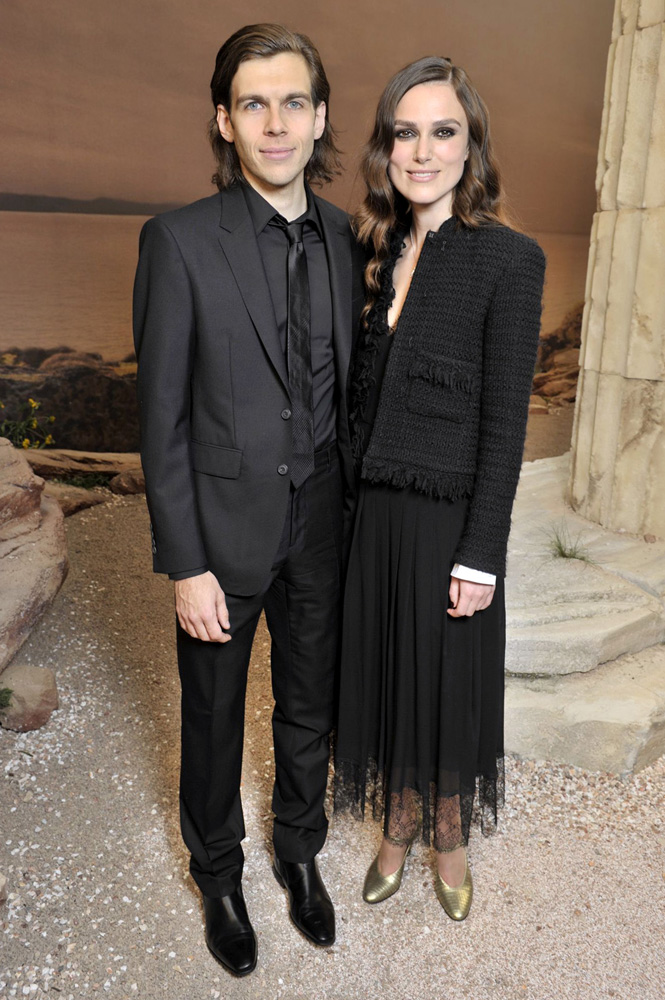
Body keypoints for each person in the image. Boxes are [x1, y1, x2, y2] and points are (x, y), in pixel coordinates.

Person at [133, 23, 364, 976]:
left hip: (323, 521)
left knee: (310, 703)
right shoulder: (179, 241)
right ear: (224, 121)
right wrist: (184, 560)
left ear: (319, 118)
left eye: (294, 102)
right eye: (254, 104)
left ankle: (298, 852)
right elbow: (162, 423)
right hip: (222, 535)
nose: (276, 123)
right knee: (214, 713)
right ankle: (219, 875)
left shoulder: (349, 236)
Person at [334, 55, 546, 921]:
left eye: (442, 131)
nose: (422, 151)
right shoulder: (372, 249)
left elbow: (504, 422)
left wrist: (481, 554)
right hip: (371, 513)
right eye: (405, 132)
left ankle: (448, 836)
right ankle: (397, 823)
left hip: (449, 517)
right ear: (387, 147)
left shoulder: (508, 259)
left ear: (472, 145)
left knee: (447, 682)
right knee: (386, 671)